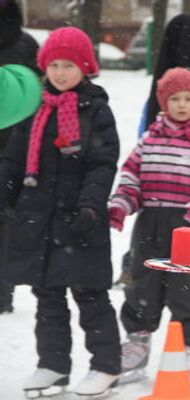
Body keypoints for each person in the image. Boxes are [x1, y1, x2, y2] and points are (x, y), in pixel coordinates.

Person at [0, 27, 121, 396]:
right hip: (39, 220)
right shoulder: (35, 110)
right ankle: (53, 364)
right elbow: (13, 160)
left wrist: (90, 204)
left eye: (68, 65)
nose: (60, 73)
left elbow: (103, 163)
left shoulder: (96, 110)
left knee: (90, 296)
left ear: (85, 67)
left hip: (80, 220)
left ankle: (106, 365)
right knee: (47, 298)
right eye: (54, 65)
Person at [109, 67, 190, 386]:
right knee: (142, 284)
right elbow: (131, 176)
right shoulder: (148, 140)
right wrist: (122, 203)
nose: (181, 104)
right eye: (174, 98)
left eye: (188, 98)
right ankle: (137, 342)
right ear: (164, 102)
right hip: (151, 222)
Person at [0, 0, 41, 313]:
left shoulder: (27, 45)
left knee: (4, 220)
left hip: (13, 146)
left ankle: (2, 290)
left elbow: (39, 95)